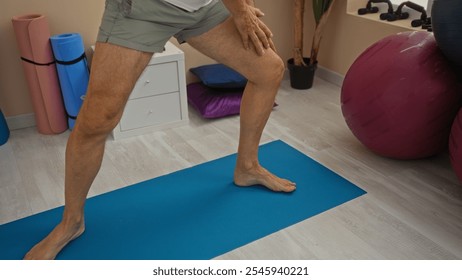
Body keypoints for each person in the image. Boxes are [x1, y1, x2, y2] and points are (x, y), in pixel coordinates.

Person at [24, 0, 296, 260]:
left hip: (203, 7)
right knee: (97, 119)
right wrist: (239, 10)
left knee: (268, 70)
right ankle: (72, 221)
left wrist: (242, 8)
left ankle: (247, 167)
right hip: (142, 9)